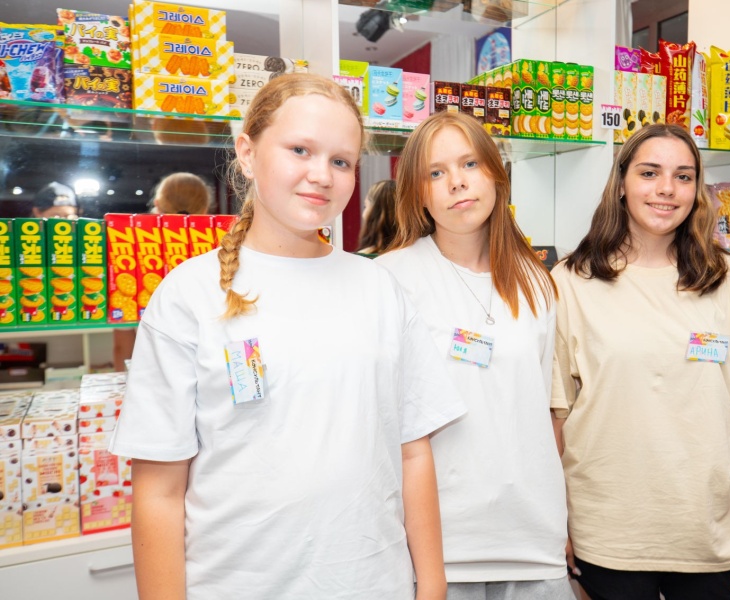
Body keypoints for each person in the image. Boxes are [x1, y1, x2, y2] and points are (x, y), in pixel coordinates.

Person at [109, 73, 466, 599]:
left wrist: (431, 586)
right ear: (247, 154)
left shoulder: (379, 289)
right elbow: (159, 490)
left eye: (341, 161)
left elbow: (413, 452)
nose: (321, 175)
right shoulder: (188, 295)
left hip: (374, 582)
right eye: (300, 150)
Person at [551, 123, 730, 600]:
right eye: (649, 173)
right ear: (621, 184)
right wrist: (551, 521)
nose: (666, 188)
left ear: (696, 190)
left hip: (716, 540)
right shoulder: (571, 282)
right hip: (607, 540)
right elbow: (555, 418)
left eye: (683, 176)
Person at [376, 111, 573, 600]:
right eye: (435, 172)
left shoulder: (537, 282)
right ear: (418, 193)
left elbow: (546, 413)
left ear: (496, 174)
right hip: (436, 550)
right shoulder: (390, 278)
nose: (457, 182)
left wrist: (564, 523)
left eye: (469, 164)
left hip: (533, 541)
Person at [112, 172, 215, 371]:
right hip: (212, 371)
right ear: (205, 209)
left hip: (156, 373)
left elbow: (122, 346)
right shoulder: (221, 248)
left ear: (157, 205)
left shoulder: (132, 253)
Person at [357, 179, 398, 255]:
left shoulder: (364, 257)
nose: (363, 215)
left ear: (376, 214)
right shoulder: (414, 254)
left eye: (365, 206)